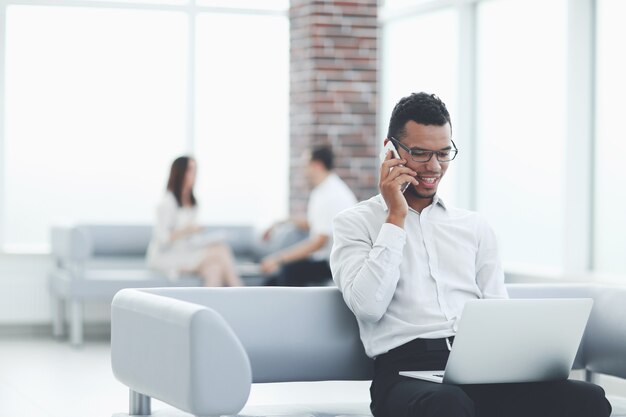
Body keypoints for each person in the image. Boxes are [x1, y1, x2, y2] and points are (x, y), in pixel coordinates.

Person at [330, 92, 611, 417]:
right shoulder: (353, 223)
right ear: (389, 150)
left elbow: (497, 313)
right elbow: (368, 307)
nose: (434, 166)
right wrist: (395, 216)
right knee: (448, 405)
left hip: (480, 368)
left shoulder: (474, 227)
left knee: (587, 399)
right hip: (403, 372)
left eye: (444, 153)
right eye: (420, 153)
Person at [261, 146, 357, 286]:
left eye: (305, 165)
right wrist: (282, 221)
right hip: (324, 260)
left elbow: (318, 242)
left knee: (288, 272)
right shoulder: (323, 190)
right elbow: (315, 224)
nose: (303, 171)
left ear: (317, 165)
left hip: (336, 264)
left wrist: (278, 259)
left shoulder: (332, 195)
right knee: (271, 282)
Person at [146, 156, 243, 287]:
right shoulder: (166, 204)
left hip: (187, 251)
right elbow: (163, 239)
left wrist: (203, 239)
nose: (194, 174)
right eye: (190, 170)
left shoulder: (193, 203)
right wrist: (187, 230)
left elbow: (192, 241)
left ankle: (210, 306)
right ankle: (240, 289)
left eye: (195, 170)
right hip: (166, 257)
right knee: (221, 250)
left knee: (215, 269)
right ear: (180, 173)